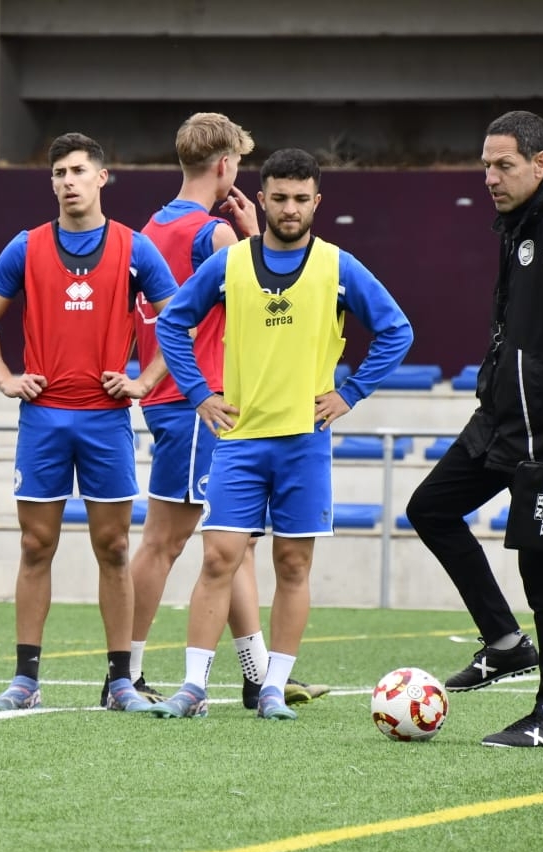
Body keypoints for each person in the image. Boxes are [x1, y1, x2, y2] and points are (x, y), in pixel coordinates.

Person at [150, 148, 413, 720]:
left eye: (301, 199)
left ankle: (273, 686)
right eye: (279, 197)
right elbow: (173, 321)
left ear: (316, 202)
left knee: (293, 565)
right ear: (261, 198)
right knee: (219, 558)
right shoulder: (230, 263)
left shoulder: (339, 266)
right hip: (241, 439)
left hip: (304, 441)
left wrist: (351, 392)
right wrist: (199, 393)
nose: (289, 208)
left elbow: (397, 330)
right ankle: (193, 687)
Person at [406, 111, 543, 749]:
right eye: (486, 165)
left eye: (504, 166)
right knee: (430, 509)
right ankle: (503, 640)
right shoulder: (517, 227)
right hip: (498, 426)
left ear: (540, 164)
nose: (490, 177)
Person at [0, 131, 180, 713]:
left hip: (106, 418)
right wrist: (7, 378)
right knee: (36, 545)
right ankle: (25, 681)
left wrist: (143, 381)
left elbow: (180, 322)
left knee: (112, 546)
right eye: (58, 173)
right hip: (43, 418)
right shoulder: (26, 247)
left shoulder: (135, 248)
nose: (67, 181)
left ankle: (120, 683)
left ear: (102, 178)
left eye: (78, 170)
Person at [122, 114, 328, 711]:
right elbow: (264, 304)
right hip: (203, 405)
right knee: (165, 541)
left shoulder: (149, 227)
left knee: (230, 542)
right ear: (225, 167)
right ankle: (126, 672)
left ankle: (258, 674)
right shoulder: (212, 236)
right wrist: (247, 236)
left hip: (176, 403)